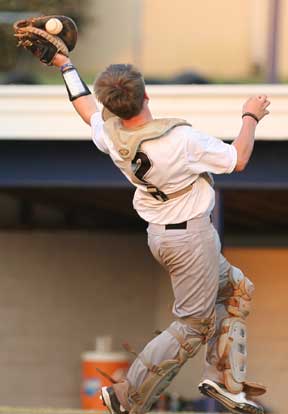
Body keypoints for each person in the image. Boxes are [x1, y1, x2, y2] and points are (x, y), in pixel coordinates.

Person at [52, 54, 270, 414]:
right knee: (192, 325)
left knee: (237, 290)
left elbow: (85, 107)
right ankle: (128, 395)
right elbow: (239, 158)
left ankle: (224, 380)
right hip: (189, 239)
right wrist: (251, 116)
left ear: (112, 105)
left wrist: (66, 66)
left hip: (165, 233)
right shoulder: (180, 140)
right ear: (146, 95)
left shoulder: (112, 133)